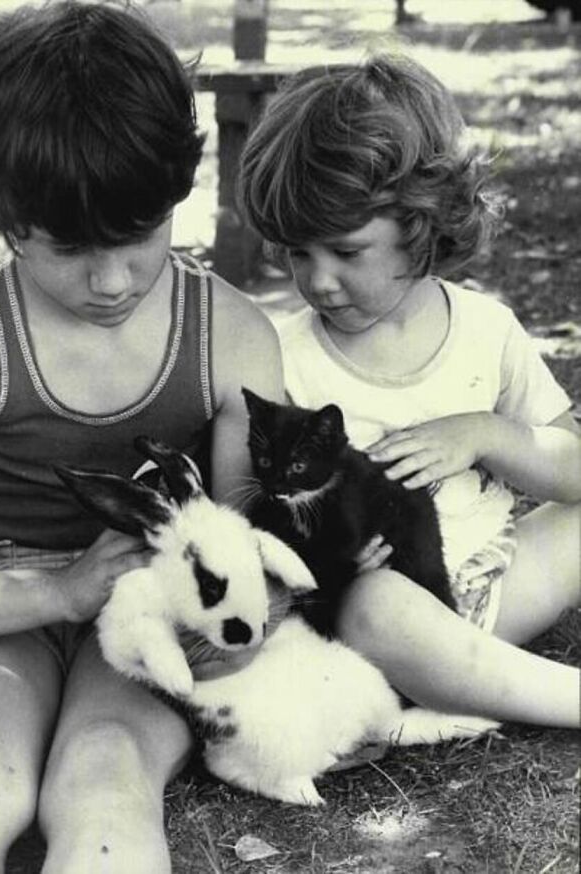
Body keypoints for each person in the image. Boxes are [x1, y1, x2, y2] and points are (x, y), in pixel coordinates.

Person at [0, 3, 283, 873]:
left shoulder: (231, 335)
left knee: (107, 773)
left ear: (175, 192)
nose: (110, 280)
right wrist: (59, 592)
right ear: (2, 220)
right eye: (67, 249)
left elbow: (253, 548)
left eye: (137, 237)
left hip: (152, 614)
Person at [237, 54, 581, 729]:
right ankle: (554, 698)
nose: (319, 281)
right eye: (298, 253)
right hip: (375, 616)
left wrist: (484, 433)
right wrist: (330, 560)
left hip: (494, 584)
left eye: (346, 251)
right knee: (378, 606)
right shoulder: (285, 359)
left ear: (422, 221)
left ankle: (464, 680)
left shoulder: (485, 328)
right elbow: (260, 516)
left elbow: (571, 468)